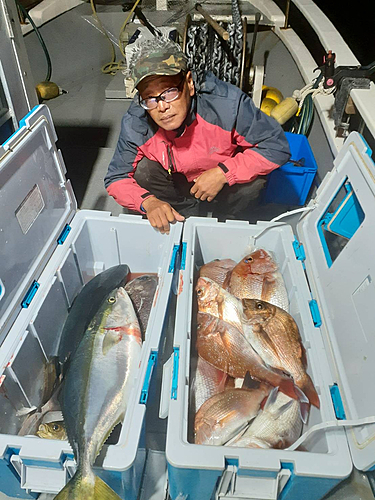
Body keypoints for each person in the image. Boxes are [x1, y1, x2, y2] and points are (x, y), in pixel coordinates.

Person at [105, 37, 291, 233]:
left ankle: (226, 225)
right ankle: (181, 221)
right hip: (175, 184)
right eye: (150, 98)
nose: (162, 107)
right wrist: (148, 202)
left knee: (254, 182)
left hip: (223, 181)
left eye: (169, 92)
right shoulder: (136, 122)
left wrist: (223, 173)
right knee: (144, 171)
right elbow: (116, 177)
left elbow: (276, 147)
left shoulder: (228, 106)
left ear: (189, 83)